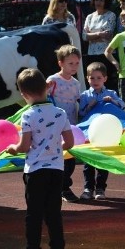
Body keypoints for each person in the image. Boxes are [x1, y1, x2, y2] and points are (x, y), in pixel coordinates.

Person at [6, 68, 74, 249]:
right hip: (56, 170)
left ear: (24, 94)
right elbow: (69, 142)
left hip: (35, 170)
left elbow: (24, 146)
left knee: (33, 214)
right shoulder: (60, 113)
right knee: (54, 213)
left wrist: (12, 149)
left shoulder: (28, 115)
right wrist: (53, 148)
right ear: (46, 87)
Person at [78, 62, 125, 200]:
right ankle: (88, 188)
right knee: (88, 163)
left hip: (105, 134)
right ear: (87, 79)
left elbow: (122, 106)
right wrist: (89, 106)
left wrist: (112, 101)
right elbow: (80, 113)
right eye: (92, 78)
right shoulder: (85, 95)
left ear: (105, 78)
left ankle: (100, 189)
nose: (95, 81)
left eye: (99, 78)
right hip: (89, 134)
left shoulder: (111, 93)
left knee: (103, 162)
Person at [47, 45, 82, 203]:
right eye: (70, 63)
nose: (74, 66)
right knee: (56, 157)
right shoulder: (53, 81)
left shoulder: (76, 83)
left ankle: (63, 186)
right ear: (60, 63)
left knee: (70, 159)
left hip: (71, 125)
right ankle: (60, 188)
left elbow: (77, 103)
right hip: (55, 126)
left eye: (76, 63)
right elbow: (43, 98)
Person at [82, 0, 117, 90]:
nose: (98, 2)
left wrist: (91, 36)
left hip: (106, 54)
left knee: (107, 81)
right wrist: (99, 34)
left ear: (106, 1)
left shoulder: (111, 15)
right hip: (92, 54)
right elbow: (84, 36)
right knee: (93, 80)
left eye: (101, 0)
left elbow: (108, 35)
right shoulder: (89, 17)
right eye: (97, 0)